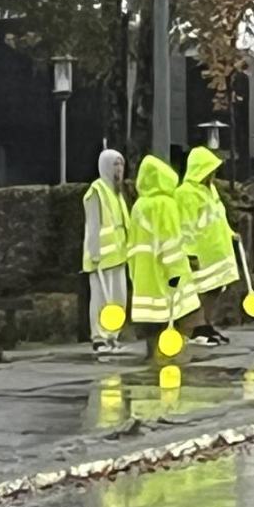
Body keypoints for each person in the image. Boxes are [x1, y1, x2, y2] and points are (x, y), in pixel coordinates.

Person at [129, 155, 200, 358]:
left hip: (142, 271)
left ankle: (153, 354)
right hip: (165, 270)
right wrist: (176, 273)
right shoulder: (165, 204)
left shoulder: (139, 205)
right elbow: (170, 242)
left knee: (151, 318)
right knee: (176, 315)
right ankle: (167, 355)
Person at [176, 146, 241, 347]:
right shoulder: (185, 193)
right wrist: (188, 252)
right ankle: (196, 329)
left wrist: (231, 234)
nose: (213, 174)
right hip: (200, 252)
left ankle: (206, 324)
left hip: (217, 250)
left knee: (215, 288)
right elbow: (184, 224)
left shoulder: (210, 190)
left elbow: (218, 218)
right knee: (200, 290)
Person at [82, 149, 131, 355]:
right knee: (102, 299)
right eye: (115, 165)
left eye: (121, 164)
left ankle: (113, 336)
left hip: (119, 254)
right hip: (101, 257)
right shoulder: (97, 191)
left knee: (118, 299)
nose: (119, 169)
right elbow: (93, 224)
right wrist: (94, 253)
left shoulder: (117, 191)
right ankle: (99, 337)